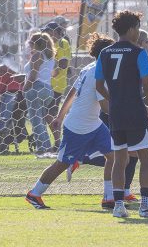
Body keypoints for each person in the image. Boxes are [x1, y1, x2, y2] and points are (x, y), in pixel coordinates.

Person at [25, 33, 114, 209]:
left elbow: (72, 92)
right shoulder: (98, 72)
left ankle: (108, 198)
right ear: (106, 54)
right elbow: (105, 108)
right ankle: (34, 194)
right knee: (61, 164)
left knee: (115, 156)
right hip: (78, 127)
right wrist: (126, 112)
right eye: (113, 52)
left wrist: (60, 116)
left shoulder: (89, 67)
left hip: (93, 124)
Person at [95, 10, 148, 218]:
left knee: (119, 158)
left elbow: (99, 86)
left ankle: (118, 206)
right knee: (146, 157)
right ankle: (146, 205)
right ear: (132, 29)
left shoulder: (104, 53)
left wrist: (114, 99)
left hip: (116, 113)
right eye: (138, 29)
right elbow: (147, 85)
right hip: (135, 111)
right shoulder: (138, 52)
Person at [23, 32, 56, 155]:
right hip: (47, 89)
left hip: (36, 88)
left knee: (35, 120)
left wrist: (25, 88)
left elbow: (33, 75)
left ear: (35, 43)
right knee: (41, 120)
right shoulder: (49, 57)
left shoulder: (37, 55)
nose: (29, 45)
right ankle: (47, 146)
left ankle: (43, 148)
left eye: (31, 43)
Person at [42, 21, 72, 150]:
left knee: (49, 114)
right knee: (46, 114)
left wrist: (51, 74)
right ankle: (54, 141)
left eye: (47, 31)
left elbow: (63, 64)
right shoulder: (50, 44)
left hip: (56, 86)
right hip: (47, 84)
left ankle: (58, 142)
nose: (45, 34)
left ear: (54, 32)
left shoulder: (62, 43)